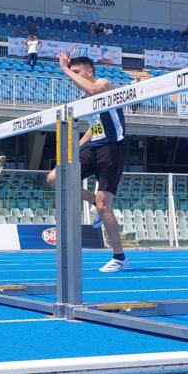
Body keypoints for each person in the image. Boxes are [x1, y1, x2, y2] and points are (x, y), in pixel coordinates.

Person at [46, 54, 127, 272]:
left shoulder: (103, 84)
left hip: (112, 147)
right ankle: (93, 201)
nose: (74, 77)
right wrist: (76, 147)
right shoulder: (86, 99)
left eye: (77, 72)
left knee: (104, 205)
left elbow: (93, 90)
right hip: (93, 147)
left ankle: (119, 257)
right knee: (54, 178)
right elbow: (95, 126)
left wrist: (65, 68)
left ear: (89, 72)